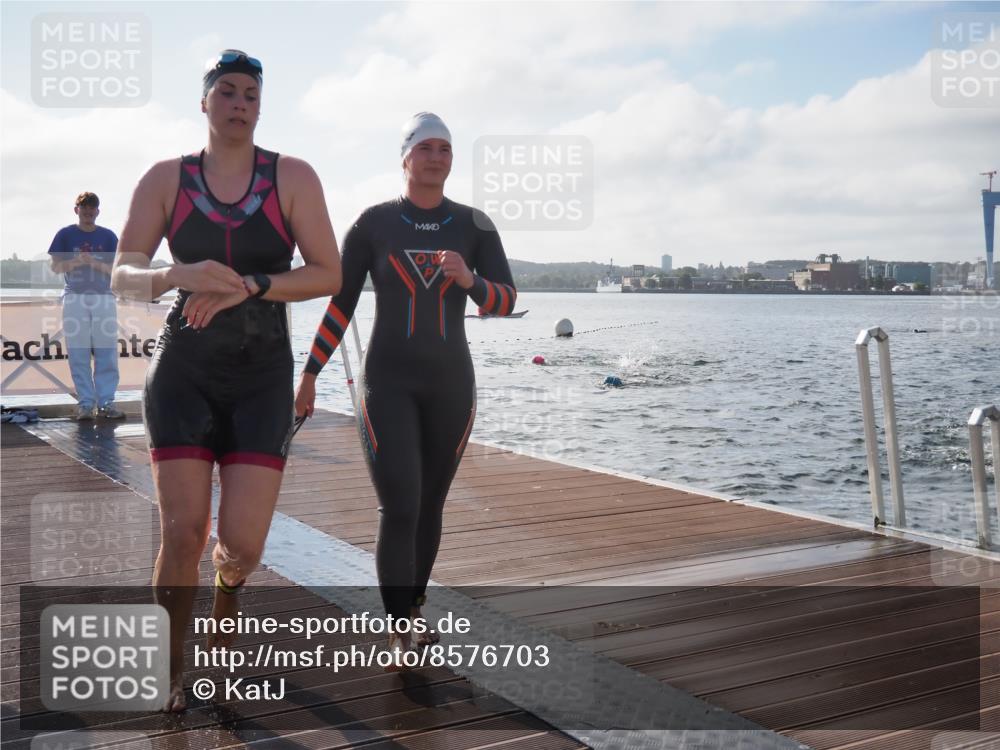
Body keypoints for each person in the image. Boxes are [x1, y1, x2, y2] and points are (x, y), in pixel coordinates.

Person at [111, 50, 342, 711]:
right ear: (205, 101)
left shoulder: (292, 177)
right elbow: (121, 273)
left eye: (251, 94)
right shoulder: (166, 178)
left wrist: (255, 286)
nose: (240, 102)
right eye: (228, 91)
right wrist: (174, 276)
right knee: (183, 529)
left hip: (263, 374)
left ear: (259, 107)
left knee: (239, 544)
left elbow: (327, 272)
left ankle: (228, 587)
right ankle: (172, 667)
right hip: (183, 368)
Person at [295, 112, 517, 666]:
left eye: (445, 148)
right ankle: (398, 631)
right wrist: (309, 375)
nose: (437, 157)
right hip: (387, 385)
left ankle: (414, 613)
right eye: (426, 148)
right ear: (405, 158)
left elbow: (507, 302)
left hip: (450, 387)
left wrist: (471, 280)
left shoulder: (476, 225)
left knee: (431, 506)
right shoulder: (373, 224)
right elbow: (340, 306)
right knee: (401, 506)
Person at [48, 192, 124, 420]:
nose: (88, 212)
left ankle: (106, 403)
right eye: (84, 208)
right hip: (74, 298)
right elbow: (55, 267)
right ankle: (85, 404)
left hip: (103, 297)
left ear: (98, 211)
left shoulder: (109, 237)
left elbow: (117, 271)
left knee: (106, 352)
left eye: (92, 208)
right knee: (78, 352)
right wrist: (77, 261)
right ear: (77, 210)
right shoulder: (65, 234)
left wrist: (94, 262)